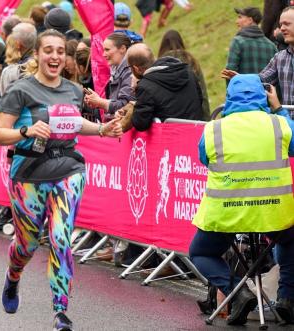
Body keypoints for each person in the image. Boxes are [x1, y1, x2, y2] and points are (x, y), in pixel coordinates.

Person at [0, 29, 123, 331]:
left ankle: (61, 313)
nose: (54, 56)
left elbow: (74, 123)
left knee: (61, 239)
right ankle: (13, 278)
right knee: (25, 246)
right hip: (28, 174)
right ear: (37, 55)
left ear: (65, 56)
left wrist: (102, 130)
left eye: (59, 51)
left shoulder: (74, 90)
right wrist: (26, 132)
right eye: (48, 50)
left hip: (68, 169)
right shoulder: (20, 91)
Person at [189, 74, 294, 325]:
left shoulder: (214, 129)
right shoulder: (278, 125)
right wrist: (279, 109)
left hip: (228, 215)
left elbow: (204, 158)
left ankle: (238, 292)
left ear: (229, 98)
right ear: (263, 95)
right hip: (273, 214)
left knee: (200, 253)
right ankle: (287, 298)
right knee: (290, 240)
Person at [223, 7, 294, 109]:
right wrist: (242, 79)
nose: (281, 28)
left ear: (250, 20)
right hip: (288, 122)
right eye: (281, 24)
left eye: (286, 24)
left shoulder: (237, 41)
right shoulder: (280, 57)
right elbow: (262, 79)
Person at [123, 43, 204, 131]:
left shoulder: (144, 87)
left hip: (170, 139)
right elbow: (200, 99)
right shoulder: (187, 71)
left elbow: (141, 124)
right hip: (198, 133)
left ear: (136, 68)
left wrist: (134, 107)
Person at [158, 29, 210, 120]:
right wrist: (206, 119)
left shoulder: (158, 64)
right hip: (195, 117)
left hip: (169, 120)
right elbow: (202, 92)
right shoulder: (191, 60)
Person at [84, 33, 134, 118]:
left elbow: (125, 106)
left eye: (107, 50)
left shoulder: (130, 72)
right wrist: (96, 103)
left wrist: (100, 102)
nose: (103, 54)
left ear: (122, 48)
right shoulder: (117, 71)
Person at [222, 7, 277, 81]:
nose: (236, 21)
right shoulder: (271, 46)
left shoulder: (238, 42)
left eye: (240, 17)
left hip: (242, 91)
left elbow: (229, 72)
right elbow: (276, 75)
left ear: (250, 20)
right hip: (265, 92)